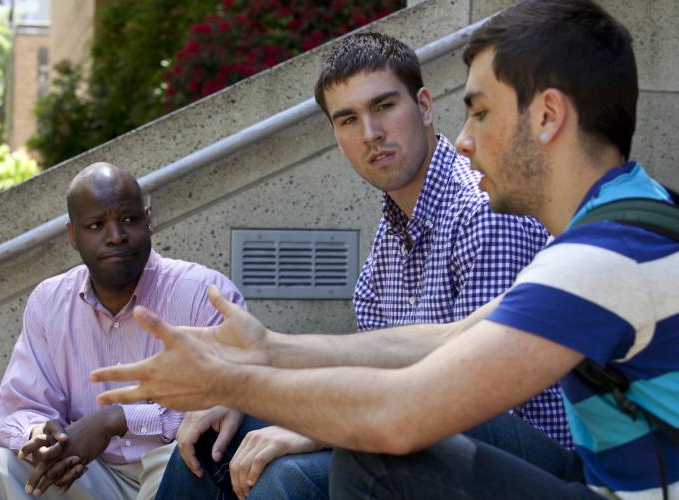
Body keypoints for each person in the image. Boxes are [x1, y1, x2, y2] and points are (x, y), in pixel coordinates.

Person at [92, 0, 679, 497]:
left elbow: (402, 415)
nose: (466, 141)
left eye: (479, 112)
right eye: (347, 119)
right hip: (589, 472)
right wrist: (267, 349)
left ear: (547, 115)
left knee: (372, 457)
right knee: (237, 432)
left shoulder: (607, 254)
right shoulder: (610, 227)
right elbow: (451, 337)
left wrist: (229, 381)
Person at [157, 32, 567, 500]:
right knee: (218, 432)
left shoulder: (483, 213)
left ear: (426, 106)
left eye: (384, 106)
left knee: (286, 477)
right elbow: (374, 375)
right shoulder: (385, 246)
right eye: (348, 119)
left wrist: (312, 428)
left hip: (523, 456)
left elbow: (476, 390)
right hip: (421, 433)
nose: (370, 133)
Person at [0, 163, 245, 500]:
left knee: (193, 452)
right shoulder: (50, 301)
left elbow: (233, 397)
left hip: (178, 467)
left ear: (148, 218)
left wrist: (115, 419)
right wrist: (38, 434)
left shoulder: (205, 293)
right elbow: (20, 407)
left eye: (128, 220)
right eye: (96, 225)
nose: (115, 236)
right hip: (88, 472)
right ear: (72, 235)